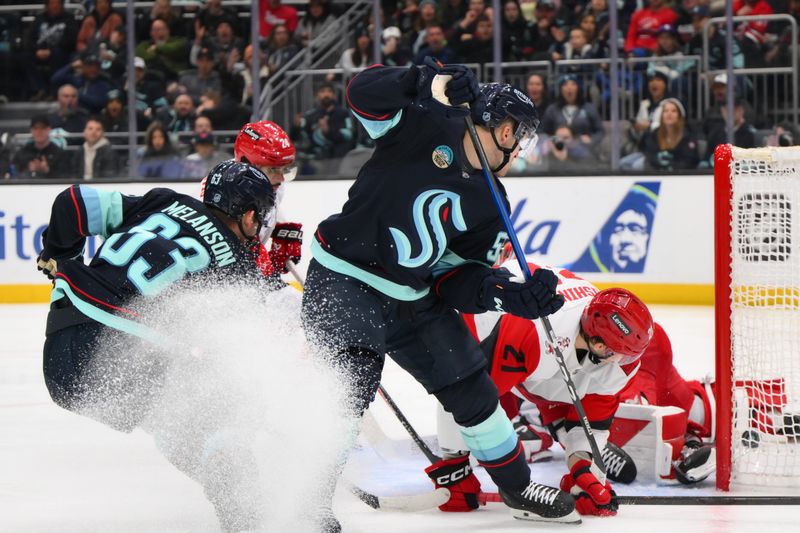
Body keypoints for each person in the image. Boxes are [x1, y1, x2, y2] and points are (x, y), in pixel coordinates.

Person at [301, 59, 575, 531]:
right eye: (521, 136)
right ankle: (306, 496)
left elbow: (456, 278)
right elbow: (360, 92)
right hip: (344, 275)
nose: (521, 150)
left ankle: (516, 486)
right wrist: (419, 79)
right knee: (354, 374)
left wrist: (505, 294)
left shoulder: (494, 204)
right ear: (505, 130)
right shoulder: (424, 119)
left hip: (410, 295)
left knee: (470, 382)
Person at [36, 161, 276, 532]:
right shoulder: (237, 266)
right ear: (247, 215)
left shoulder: (164, 201)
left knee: (173, 417)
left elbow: (72, 203)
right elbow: (242, 342)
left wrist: (60, 256)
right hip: (119, 355)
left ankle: (236, 498)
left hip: (61, 351)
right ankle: (245, 513)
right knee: (214, 417)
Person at [231, 120, 302, 280]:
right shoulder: (223, 191)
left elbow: (271, 205)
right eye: (274, 169)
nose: (282, 177)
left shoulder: (271, 182)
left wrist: (281, 228)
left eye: (285, 168)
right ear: (247, 164)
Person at [640, 98, 699, 171]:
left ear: (679, 116)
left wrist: (671, 166)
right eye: (665, 111)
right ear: (661, 116)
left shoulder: (688, 136)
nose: (669, 114)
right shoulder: (654, 134)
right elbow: (649, 156)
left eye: (673, 111)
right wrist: (658, 161)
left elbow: (690, 161)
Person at [12, 115, 68, 179]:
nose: (39, 132)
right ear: (31, 130)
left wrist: (47, 170)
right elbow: (14, 173)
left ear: (49, 129)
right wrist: (28, 170)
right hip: (25, 187)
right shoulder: (22, 152)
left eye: (43, 128)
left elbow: (66, 176)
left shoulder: (59, 154)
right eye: (36, 128)